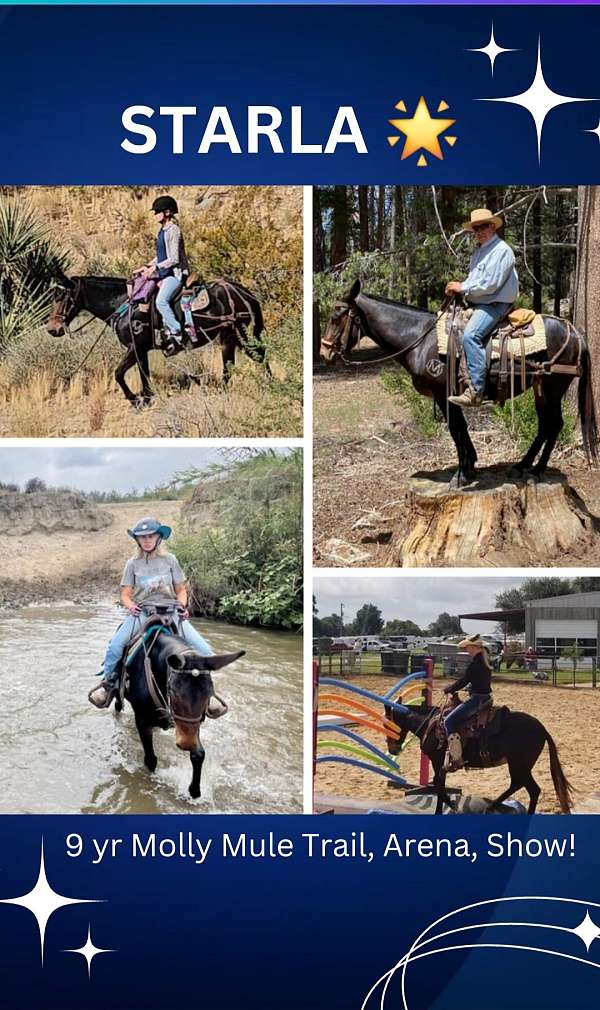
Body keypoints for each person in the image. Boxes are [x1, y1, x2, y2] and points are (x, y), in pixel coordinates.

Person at [88, 517, 226, 717]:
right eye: (142, 537)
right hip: (143, 612)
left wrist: (182, 604)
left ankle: (209, 694)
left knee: (205, 651)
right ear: (137, 540)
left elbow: (181, 589)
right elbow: (125, 595)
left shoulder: (170, 560)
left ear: (158, 537)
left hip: (171, 612)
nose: (146, 540)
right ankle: (109, 684)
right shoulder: (132, 564)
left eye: (150, 536)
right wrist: (131, 605)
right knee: (116, 646)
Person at [445, 208, 519, 408]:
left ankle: (476, 391)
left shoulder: (502, 251)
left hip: (496, 303)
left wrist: (463, 287)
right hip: (480, 302)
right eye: (476, 228)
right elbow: (474, 280)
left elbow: (491, 284)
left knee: (471, 335)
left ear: (493, 226)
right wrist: (460, 289)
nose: (479, 231)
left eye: (484, 226)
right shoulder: (478, 253)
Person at [139, 195, 189, 354]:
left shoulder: (173, 230)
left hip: (175, 275)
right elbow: (161, 256)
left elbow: (173, 258)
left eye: (157, 212)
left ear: (167, 212)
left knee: (161, 301)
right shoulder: (162, 231)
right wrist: (147, 266)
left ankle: (176, 331)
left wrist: (154, 269)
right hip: (164, 274)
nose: (155, 215)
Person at [442, 633, 493, 769]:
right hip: (486, 697)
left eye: (468, 647)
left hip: (477, 699)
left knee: (448, 721)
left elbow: (464, 680)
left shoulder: (475, 664)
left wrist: (450, 688)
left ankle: (457, 758)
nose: (467, 650)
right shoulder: (484, 662)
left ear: (475, 647)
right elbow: (480, 682)